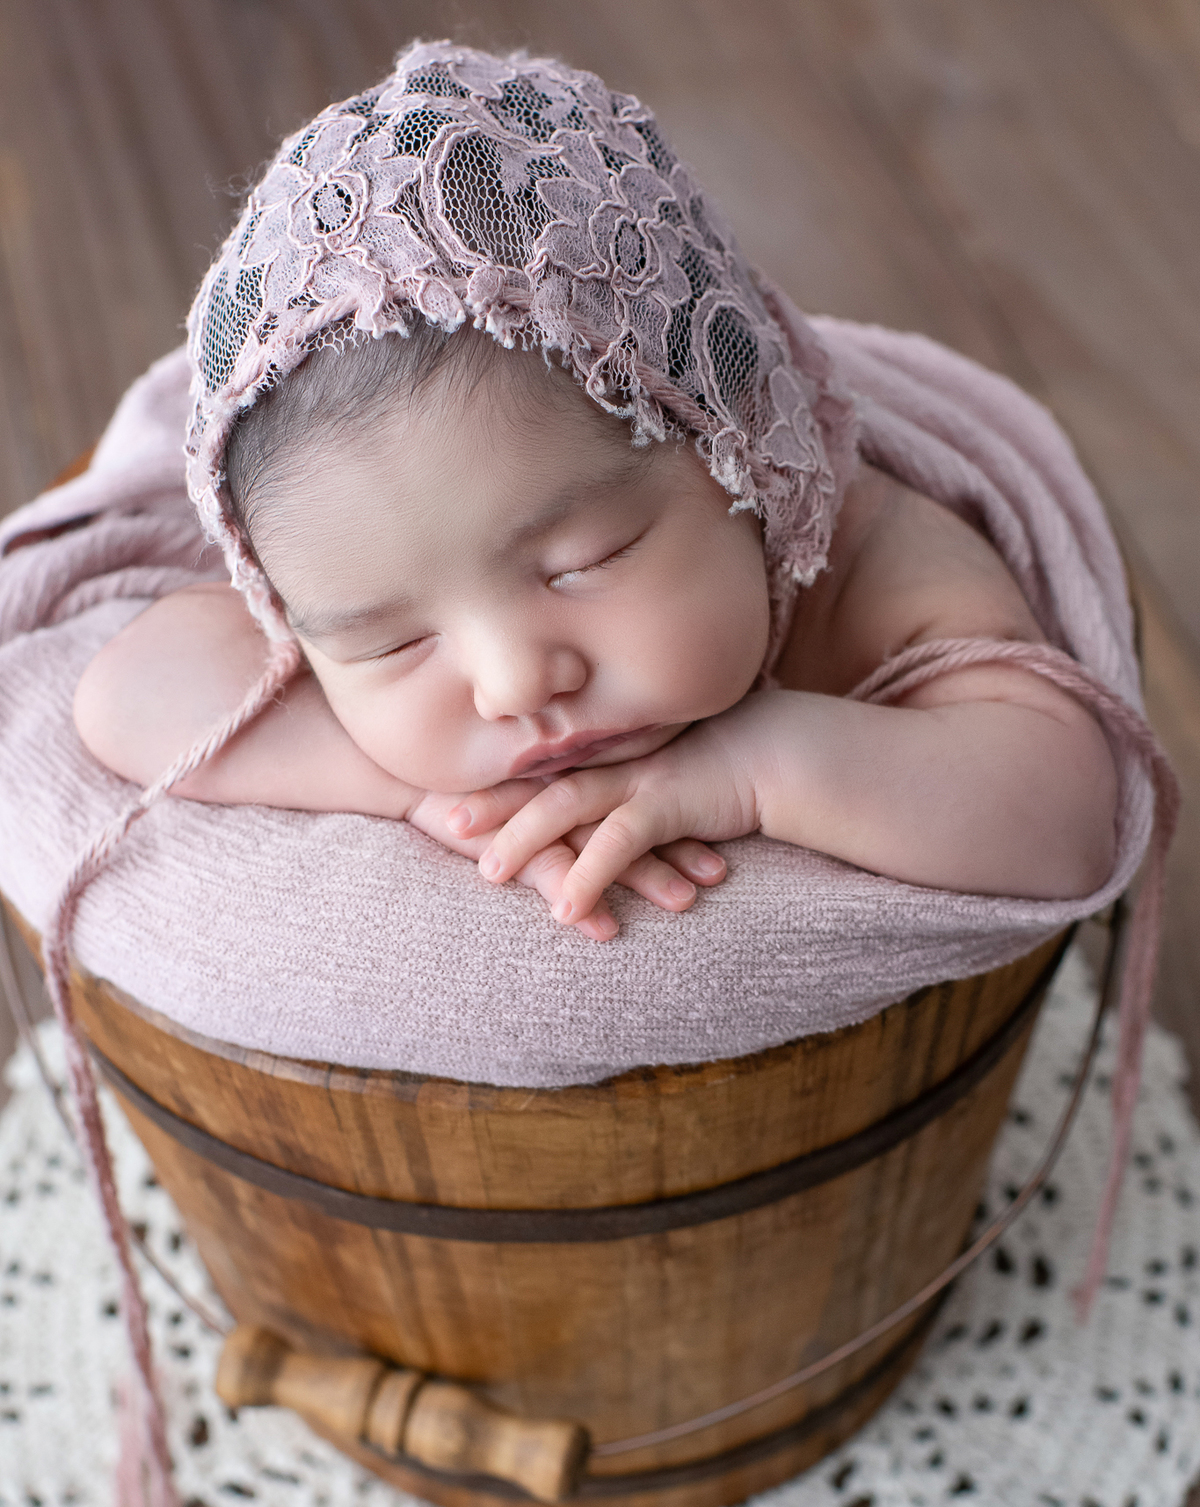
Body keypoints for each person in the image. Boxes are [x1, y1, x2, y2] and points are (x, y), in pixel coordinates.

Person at [73, 42, 1117, 943]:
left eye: (584, 565)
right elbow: (125, 694)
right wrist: (411, 789)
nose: (515, 682)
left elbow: (1069, 817)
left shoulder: (867, 560)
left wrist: (771, 763)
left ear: (738, 447)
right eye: (392, 644)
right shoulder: (354, 549)